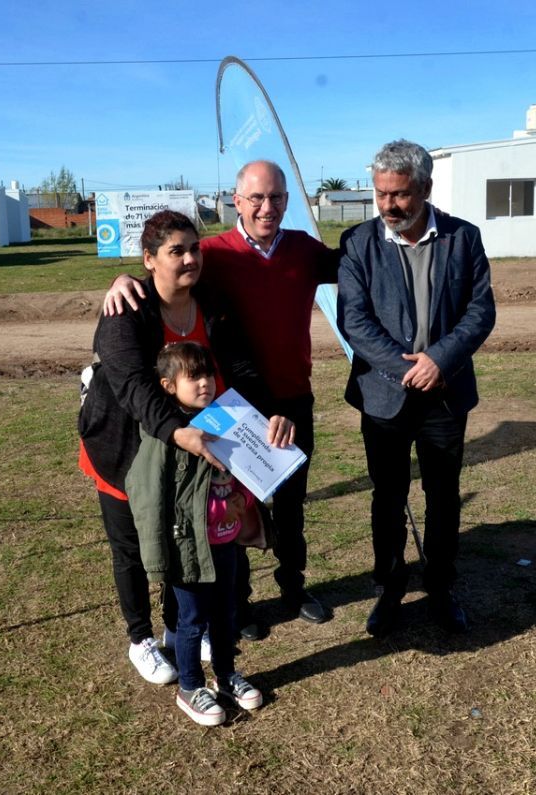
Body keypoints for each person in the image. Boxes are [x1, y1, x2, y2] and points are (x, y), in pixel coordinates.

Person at [102, 160, 338, 637]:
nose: (266, 207)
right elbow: (166, 268)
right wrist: (122, 280)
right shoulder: (212, 254)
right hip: (230, 407)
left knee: (290, 506)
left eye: (276, 197)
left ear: (288, 200)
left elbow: (352, 263)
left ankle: (293, 586)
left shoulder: (304, 251)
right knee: (231, 507)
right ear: (237, 201)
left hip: (289, 400)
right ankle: (240, 603)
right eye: (256, 198)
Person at [78, 210, 293, 685]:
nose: (190, 258)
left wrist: (271, 410)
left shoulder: (211, 304)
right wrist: (177, 431)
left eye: (194, 248)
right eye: (176, 251)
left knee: (186, 538)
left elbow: (242, 367)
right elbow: (134, 387)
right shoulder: (126, 311)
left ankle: (182, 629)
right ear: (149, 260)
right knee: (131, 548)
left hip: (190, 458)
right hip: (126, 450)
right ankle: (141, 639)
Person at [336, 140, 496, 637]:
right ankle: (389, 588)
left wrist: (439, 360)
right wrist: (408, 368)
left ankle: (441, 585)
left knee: (443, 494)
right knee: (387, 496)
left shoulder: (463, 238)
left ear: (425, 188)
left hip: (444, 394)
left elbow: (480, 311)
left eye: (400, 195)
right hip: (384, 395)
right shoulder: (358, 243)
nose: (389, 205)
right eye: (381, 194)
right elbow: (354, 321)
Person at [127, 341, 265, 726]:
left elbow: (244, 473)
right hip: (188, 546)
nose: (205, 383)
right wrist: (159, 548)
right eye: (194, 377)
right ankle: (189, 686)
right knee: (191, 620)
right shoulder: (166, 434)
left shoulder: (228, 419)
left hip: (225, 541)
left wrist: (245, 501)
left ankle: (225, 676)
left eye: (209, 374)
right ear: (169, 386)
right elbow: (149, 493)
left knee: (225, 614)